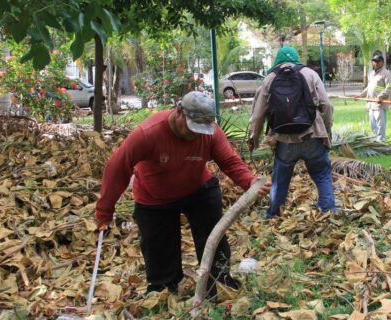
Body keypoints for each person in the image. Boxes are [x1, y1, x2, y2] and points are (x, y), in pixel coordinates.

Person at [95, 91, 270, 295]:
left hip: (197, 189)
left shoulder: (211, 133)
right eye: (192, 128)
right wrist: (104, 211)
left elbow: (229, 162)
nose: (195, 134)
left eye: (200, 130)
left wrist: (250, 182)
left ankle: (218, 281)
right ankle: (163, 287)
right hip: (154, 197)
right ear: (179, 112)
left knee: (212, 234)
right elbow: (118, 168)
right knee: (159, 245)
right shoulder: (148, 133)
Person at [248, 46, 335, 218]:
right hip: (312, 136)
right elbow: (326, 107)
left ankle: (273, 215)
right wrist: (326, 133)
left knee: (280, 181)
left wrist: (254, 139)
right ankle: (329, 213)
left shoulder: (270, 79)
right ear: (296, 58)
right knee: (322, 174)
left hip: (284, 140)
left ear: (277, 60)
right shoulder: (310, 74)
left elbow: (257, 116)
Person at [354, 54, 391, 142]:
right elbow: (368, 88)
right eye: (374, 61)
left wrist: (381, 96)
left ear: (383, 62)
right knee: (373, 124)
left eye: (378, 61)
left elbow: (389, 88)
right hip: (370, 103)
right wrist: (360, 95)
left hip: (379, 103)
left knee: (380, 124)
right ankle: (376, 140)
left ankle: (381, 141)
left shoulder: (386, 73)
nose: (376, 63)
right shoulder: (371, 73)